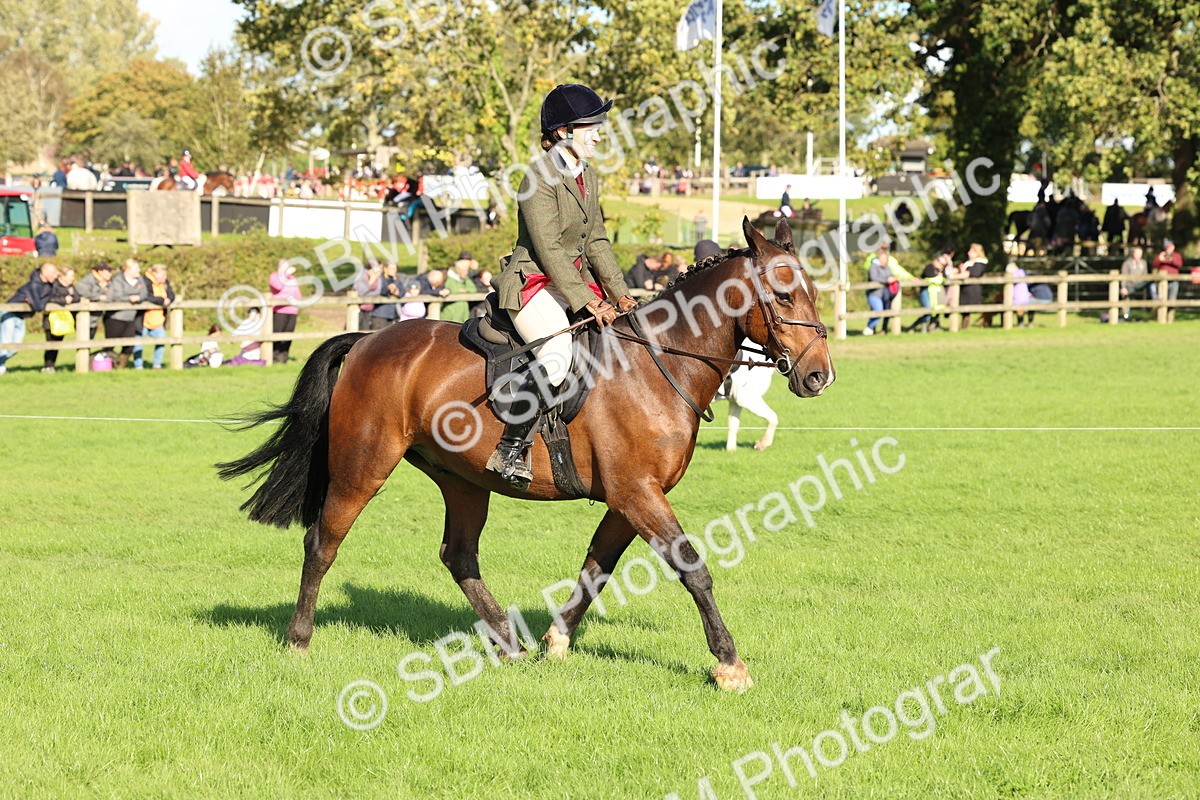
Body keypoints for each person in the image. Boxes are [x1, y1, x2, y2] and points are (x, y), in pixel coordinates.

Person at [488, 83, 636, 487]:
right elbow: (549, 250)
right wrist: (590, 301)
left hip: (567, 283)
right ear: (564, 131)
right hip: (532, 285)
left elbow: (597, 241)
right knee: (555, 354)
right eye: (593, 126)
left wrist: (620, 293)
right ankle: (509, 450)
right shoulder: (537, 178)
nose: (601, 134)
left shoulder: (587, 175)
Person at [0, 262, 59, 375]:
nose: (55, 276)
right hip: (10, 314)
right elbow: (38, 306)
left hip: (21, 318)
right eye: (53, 273)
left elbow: (44, 301)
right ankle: (1, 368)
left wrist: (35, 301)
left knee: (15, 347)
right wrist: (40, 301)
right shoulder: (33, 285)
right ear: (45, 272)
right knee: (5, 344)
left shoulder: (49, 285)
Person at [106, 259, 148, 368]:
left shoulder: (140, 280)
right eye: (136, 268)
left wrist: (138, 298)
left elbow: (144, 293)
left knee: (129, 345)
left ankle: (120, 366)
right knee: (109, 345)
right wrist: (130, 298)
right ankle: (105, 365)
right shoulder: (117, 280)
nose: (139, 270)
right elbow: (116, 296)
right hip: (115, 318)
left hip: (131, 318)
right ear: (128, 270)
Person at [136, 264, 175, 369]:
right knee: (138, 344)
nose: (164, 278)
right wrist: (162, 301)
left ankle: (157, 365)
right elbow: (146, 296)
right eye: (162, 275)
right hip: (143, 320)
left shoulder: (164, 283)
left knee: (161, 341)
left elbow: (171, 295)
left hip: (158, 320)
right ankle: (138, 366)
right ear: (154, 274)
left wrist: (169, 300)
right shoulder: (144, 281)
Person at [42, 267, 79, 373]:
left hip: (64, 320)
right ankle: (48, 366)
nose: (73, 278)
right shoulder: (53, 285)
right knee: (51, 343)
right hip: (51, 319)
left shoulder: (71, 287)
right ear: (63, 276)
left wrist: (71, 299)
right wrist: (63, 300)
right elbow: (48, 298)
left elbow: (77, 297)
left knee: (58, 343)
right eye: (71, 275)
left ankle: (51, 366)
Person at [269, 260, 301, 363]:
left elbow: (297, 293)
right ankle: (273, 357)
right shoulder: (274, 277)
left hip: (292, 311)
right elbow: (278, 287)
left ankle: (283, 359)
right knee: (277, 334)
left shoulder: (292, 279)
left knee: (288, 335)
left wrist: (298, 304)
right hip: (280, 310)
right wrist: (285, 275)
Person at [950, 243, 989, 329]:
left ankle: (963, 328)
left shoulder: (979, 263)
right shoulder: (970, 263)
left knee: (967, 309)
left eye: (971, 251)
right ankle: (962, 327)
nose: (968, 253)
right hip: (966, 289)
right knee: (964, 311)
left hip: (972, 290)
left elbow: (972, 273)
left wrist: (953, 277)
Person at [76, 261, 115, 340]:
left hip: (94, 320)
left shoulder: (108, 282)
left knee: (90, 341)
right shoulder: (88, 280)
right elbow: (82, 291)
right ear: (100, 272)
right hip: (84, 319)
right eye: (108, 271)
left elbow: (110, 296)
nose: (110, 274)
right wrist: (99, 297)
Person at [1152, 238, 1183, 321]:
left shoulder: (1176, 255)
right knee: (1161, 299)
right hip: (1162, 282)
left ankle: (1170, 318)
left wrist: (1171, 260)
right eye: (1166, 247)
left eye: (1169, 247)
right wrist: (1160, 259)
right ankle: (1161, 318)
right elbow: (1154, 264)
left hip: (1173, 281)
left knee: (1172, 300)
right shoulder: (1161, 255)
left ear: (1173, 247)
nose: (1168, 249)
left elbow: (1179, 264)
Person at [441, 254, 477, 323]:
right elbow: (450, 289)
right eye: (464, 271)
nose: (466, 273)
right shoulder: (450, 277)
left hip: (463, 309)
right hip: (452, 309)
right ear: (458, 270)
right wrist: (459, 290)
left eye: (466, 271)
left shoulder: (465, 278)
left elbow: (473, 288)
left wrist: (465, 290)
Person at [1119, 246, 1152, 320]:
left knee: (1151, 283)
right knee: (1127, 293)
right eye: (1137, 253)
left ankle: (1155, 303)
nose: (1138, 255)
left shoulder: (1143, 263)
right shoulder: (1127, 263)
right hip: (1129, 284)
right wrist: (1123, 287)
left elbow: (1145, 276)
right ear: (1133, 254)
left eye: (1140, 253)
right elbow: (1124, 276)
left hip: (1141, 284)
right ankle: (1126, 315)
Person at [353, 262, 387, 331]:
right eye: (378, 269)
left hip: (372, 308)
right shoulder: (362, 276)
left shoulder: (378, 278)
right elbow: (360, 292)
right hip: (359, 308)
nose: (380, 272)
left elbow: (377, 292)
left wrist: (367, 293)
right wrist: (371, 282)